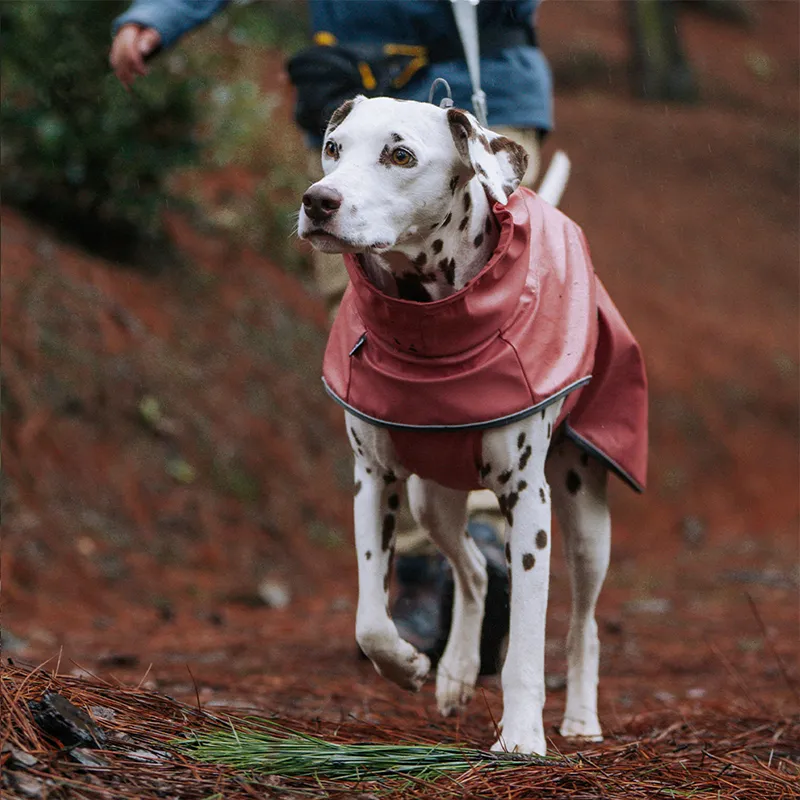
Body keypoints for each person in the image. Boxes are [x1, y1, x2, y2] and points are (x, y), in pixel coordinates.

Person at [110, 0, 555, 674]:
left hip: (479, 78)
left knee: (495, 319)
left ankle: (487, 535)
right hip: (354, 85)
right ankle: (424, 561)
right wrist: (161, 14)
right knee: (372, 332)